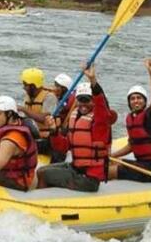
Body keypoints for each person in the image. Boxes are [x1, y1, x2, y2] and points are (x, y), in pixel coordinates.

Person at [37, 63, 113, 192]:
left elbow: (101, 104)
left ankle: (43, 202)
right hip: (76, 168)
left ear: (93, 101)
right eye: (80, 99)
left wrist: (93, 80)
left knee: (45, 175)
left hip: (89, 178)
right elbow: (63, 147)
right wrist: (54, 131)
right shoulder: (75, 117)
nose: (83, 104)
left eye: (87, 99)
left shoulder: (99, 121)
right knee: (41, 171)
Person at [109, 58, 151, 182]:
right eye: (132, 98)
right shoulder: (130, 118)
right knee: (109, 163)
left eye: (139, 98)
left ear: (145, 101)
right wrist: (112, 156)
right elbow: (132, 145)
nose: (136, 101)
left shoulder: (150, 116)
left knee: (107, 171)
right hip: (141, 164)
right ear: (129, 102)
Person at [17, 68, 58, 154]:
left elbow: (44, 119)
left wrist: (23, 109)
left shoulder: (49, 97)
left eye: (25, 85)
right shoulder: (28, 96)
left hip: (44, 140)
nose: (23, 87)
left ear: (33, 86)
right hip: (30, 136)